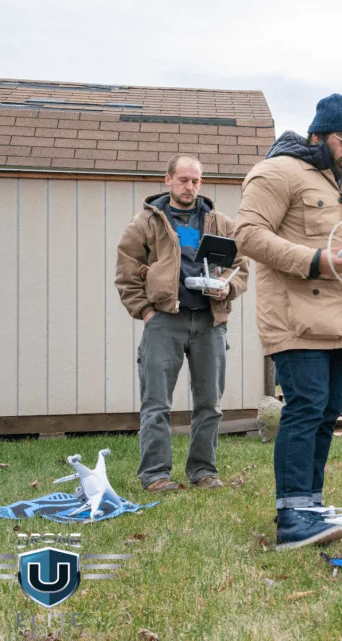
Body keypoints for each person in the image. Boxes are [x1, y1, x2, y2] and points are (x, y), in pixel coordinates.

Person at [234, 94, 342, 550]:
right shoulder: (276, 172)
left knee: (328, 412)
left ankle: (311, 506)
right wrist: (317, 260)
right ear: (317, 137)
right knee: (306, 406)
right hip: (296, 318)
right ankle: (291, 517)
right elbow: (249, 235)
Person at [115, 154, 249, 492]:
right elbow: (126, 272)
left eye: (195, 181)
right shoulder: (145, 223)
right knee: (156, 403)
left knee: (209, 404)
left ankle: (204, 472)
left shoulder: (220, 224)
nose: (189, 186)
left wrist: (228, 287)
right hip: (165, 321)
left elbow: (242, 266)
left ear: (201, 183)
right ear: (168, 180)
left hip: (210, 322)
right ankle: (156, 475)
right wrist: (146, 312)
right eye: (183, 180)